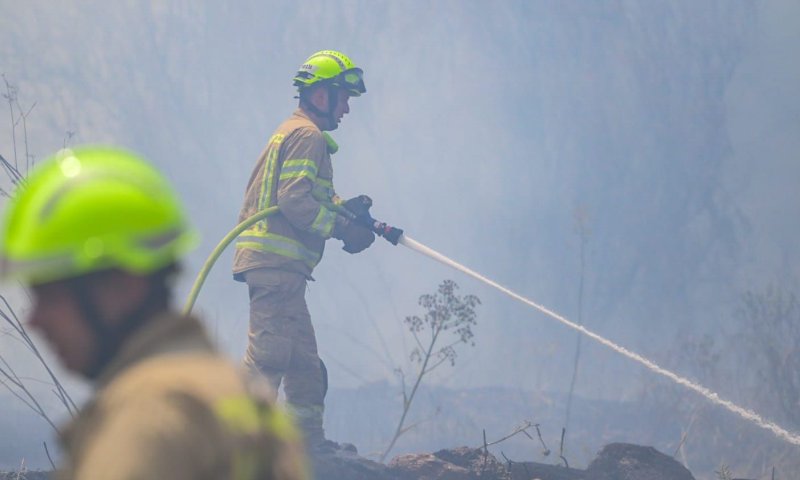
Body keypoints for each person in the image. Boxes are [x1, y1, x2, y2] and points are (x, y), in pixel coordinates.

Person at [0, 146, 308, 480]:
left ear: (124, 286)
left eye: (51, 296)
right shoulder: (247, 404)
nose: (35, 319)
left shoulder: (148, 420)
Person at [232, 50, 375, 452]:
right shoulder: (307, 136)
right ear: (319, 95)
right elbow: (294, 202)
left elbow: (312, 196)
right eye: (342, 97)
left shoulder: (300, 135)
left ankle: (308, 449)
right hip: (275, 265)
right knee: (270, 356)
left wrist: (349, 216)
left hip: (285, 270)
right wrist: (340, 229)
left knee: (304, 365)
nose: (347, 108)